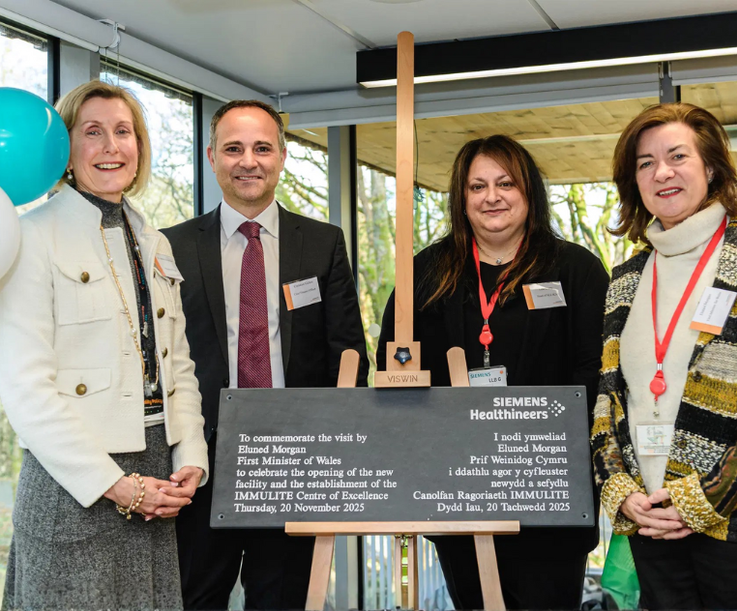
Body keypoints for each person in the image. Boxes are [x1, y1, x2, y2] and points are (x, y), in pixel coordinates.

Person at [591, 102, 737, 610]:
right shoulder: (626, 279)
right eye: (646, 163)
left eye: (677, 156)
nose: (662, 172)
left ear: (712, 168)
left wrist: (706, 498)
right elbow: (608, 400)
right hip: (652, 521)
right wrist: (619, 490)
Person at [0, 80, 209, 609]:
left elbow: (177, 365)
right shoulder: (31, 236)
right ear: (65, 149)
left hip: (157, 477)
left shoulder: (154, 240)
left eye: (124, 131)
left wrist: (191, 454)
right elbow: (25, 390)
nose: (111, 146)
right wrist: (116, 485)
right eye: (92, 132)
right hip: (75, 485)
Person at [377, 134, 608, 609]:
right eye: (477, 186)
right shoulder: (424, 273)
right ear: (461, 198)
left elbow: (598, 370)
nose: (492, 197)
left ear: (529, 191)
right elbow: (394, 368)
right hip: (457, 484)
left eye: (506, 183)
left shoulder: (575, 270)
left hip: (549, 486)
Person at [163, 99, 368, 610]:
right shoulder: (171, 247)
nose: (248, 161)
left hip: (293, 460)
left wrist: (338, 448)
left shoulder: (322, 243)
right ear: (212, 157)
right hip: (201, 460)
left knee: (283, 600)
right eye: (233, 148)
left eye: (262, 148)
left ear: (282, 156)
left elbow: (347, 353)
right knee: (194, 598)